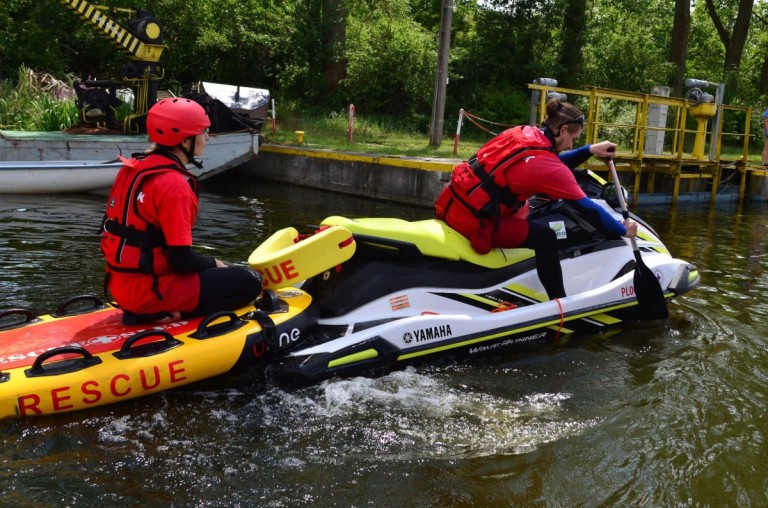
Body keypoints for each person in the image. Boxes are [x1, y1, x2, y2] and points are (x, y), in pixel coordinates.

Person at [435, 98, 638, 300]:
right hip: (475, 223)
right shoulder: (548, 167)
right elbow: (587, 208)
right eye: (574, 139)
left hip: (455, 204)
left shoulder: (523, 133)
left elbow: (551, 161)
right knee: (546, 238)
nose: (571, 144)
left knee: (527, 209)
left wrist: (589, 150)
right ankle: (559, 303)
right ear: (563, 130)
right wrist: (623, 230)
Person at [100, 97, 262, 324]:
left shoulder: (132, 169)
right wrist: (215, 263)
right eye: (203, 131)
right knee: (251, 282)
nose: (207, 137)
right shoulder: (175, 185)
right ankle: (168, 314)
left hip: (120, 285)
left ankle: (150, 308)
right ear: (185, 140)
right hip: (152, 292)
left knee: (221, 269)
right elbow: (182, 261)